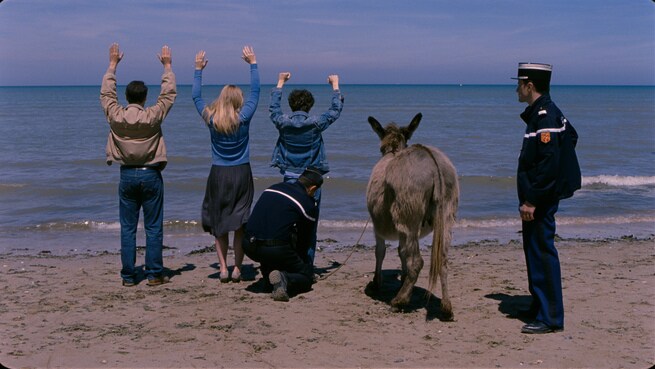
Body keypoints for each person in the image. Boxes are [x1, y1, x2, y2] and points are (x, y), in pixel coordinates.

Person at [100, 43, 177, 287]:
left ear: (127, 97)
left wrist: (112, 65)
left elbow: (106, 94)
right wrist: (167, 66)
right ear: (144, 98)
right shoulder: (152, 116)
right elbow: (168, 95)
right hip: (151, 175)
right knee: (153, 227)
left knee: (128, 229)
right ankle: (154, 274)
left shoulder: (116, 116)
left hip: (127, 175)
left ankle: (128, 277)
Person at [513, 62, 581, 334]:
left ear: (529, 86)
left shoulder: (545, 116)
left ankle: (550, 317)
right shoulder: (544, 114)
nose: (516, 89)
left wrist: (533, 199)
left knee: (542, 252)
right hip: (538, 196)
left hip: (539, 199)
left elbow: (549, 162)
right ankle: (539, 305)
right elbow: (572, 137)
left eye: (518, 84)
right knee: (533, 249)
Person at [192, 46, 260, 283]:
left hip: (219, 174)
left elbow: (196, 97)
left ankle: (223, 268)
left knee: (220, 224)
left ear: (221, 100)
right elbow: (256, 92)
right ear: (238, 101)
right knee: (240, 224)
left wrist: (198, 70)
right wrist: (253, 64)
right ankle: (238, 269)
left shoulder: (212, 119)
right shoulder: (244, 118)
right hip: (242, 172)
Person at [269, 72, 344, 265]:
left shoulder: (283, 123)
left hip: (289, 180)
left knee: (288, 224)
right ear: (309, 106)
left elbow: (273, 108)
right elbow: (335, 110)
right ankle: (306, 266)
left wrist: (280, 82)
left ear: (292, 105)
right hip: (310, 183)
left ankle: (289, 261)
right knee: (309, 227)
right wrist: (335, 85)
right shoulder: (316, 124)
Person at [242, 168, 324, 302]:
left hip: (247, 245)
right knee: (306, 277)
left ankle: (269, 276)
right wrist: (303, 267)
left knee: (271, 231)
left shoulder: (273, 188)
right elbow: (304, 240)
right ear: (313, 188)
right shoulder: (307, 204)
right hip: (274, 249)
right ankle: (285, 278)